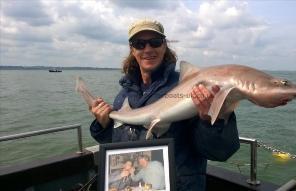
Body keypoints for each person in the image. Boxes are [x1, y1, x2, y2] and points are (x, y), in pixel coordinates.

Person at [90, 19, 240, 191]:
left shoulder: (189, 88)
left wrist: (211, 119)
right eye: (139, 44)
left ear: (164, 46)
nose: (148, 49)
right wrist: (103, 125)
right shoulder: (124, 94)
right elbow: (116, 144)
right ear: (132, 49)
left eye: (155, 42)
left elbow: (221, 152)